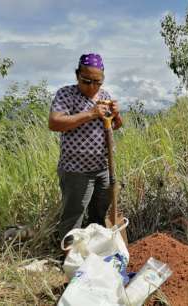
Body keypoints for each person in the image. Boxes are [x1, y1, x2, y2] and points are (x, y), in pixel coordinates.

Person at [49, 53, 122, 240]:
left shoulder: (104, 96)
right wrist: (90, 113)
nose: (91, 87)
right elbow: (55, 123)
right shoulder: (66, 94)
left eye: (97, 82)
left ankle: (94, 251)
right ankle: (70, 256)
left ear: (103, 79)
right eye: (86, 81)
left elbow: (115, 125)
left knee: (99, 214)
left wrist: (117, 115)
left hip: (103, 168)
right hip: (76, 170)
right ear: (77, 75)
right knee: (74, 216)